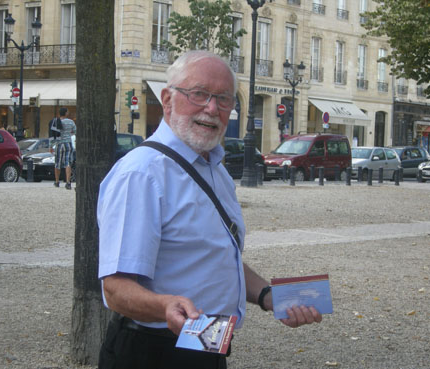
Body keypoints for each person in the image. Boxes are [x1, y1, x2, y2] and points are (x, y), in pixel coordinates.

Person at [97, 50, 322, 369]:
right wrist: (165, 306)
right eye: (199, 94)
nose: (212, 108)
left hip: (206, 342)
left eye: (224, 99)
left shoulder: (212, 165)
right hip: (151, 352)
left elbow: (213, 256)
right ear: (167, 99)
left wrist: (269, 296)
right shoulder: (142, 174)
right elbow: (116, 290)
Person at [50, 107, 76, 189]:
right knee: (68, 162)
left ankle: (57, 181)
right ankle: (68, 182)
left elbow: (53, 135)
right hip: (68, 143)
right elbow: (76, 131)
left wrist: (51, 146)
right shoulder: (71, 122)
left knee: (57, 163)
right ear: (66, 113)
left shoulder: (56, 122)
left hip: (59, 144)